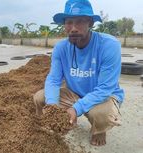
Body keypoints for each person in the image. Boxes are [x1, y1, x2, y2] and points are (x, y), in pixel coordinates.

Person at [33, 0, 124, 146]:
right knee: (40, 98)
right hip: (73, 91)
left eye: (80, 21)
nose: (73, 28)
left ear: (91, 23)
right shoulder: (61, 48)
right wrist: (52, 107)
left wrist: (76, 108)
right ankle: (45, 121)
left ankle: (99, 130)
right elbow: (54, 79)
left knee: (101, 115)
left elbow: (105, 88)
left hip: (103, 95)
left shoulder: (109, 45)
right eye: (69, 22)